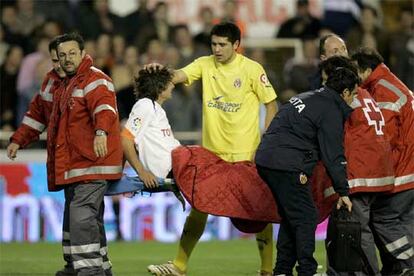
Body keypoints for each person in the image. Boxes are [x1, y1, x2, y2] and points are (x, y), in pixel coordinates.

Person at [146, 22, 278, 276]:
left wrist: (266, 141)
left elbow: (271, 105)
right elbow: (179, 75)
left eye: (222, 45)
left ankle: (267, 270)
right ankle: (179, 266)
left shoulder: (252, 69)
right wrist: (159, 72)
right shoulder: (205, 64)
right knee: (199, 209)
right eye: (213, 44)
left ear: (236, 45)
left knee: (260, 213)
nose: (216, 49)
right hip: (214, 157)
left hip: (246, 156)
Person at [7, 33, 123, 276]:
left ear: (82, 54)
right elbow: (37, 115)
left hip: (93, 162)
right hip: (72, 164)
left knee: (81, 216)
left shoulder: (95, 80)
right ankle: (85, 267)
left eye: (71, 54)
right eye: (59, 57)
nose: (64, 61)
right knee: (79, 217)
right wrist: (19, 140)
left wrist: (101, 132)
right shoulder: (53, 84)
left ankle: (89, 272)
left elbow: (105, 109)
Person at [255, 68, 357, 276]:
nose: (354, 99)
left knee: (291, 215)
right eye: (354, 94)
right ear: (345, 92)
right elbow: (334, 155)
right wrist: (343, 191)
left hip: (266, 158)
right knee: (306, 217)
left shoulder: (306, 97)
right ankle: (307, 270)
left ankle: (282, 270)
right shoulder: (331, 110)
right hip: (287, 164)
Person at [318, 56, 394, 276]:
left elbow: (336, 135)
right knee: (344, 229)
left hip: (360, 172)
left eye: (326, 80)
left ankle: (371, 273)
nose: (324, 85)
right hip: (377, 169)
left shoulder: (344, 98)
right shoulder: (365, 94)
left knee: (357, 230)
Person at [351, 47, 414, 276]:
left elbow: (384, 138)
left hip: (404, 168)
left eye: (356, 71)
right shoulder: (393, 83)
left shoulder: (382, 91)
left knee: (382, 218)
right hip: (411, 166)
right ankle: (398, 268)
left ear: (367, 70)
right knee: (405, 221)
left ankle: (407, 262)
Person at [121, 67, 180, 188]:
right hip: (173, 168)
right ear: (159, 87)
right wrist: (141, 171)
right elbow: (126, 139)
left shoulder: (156, 109)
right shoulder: (145, 105)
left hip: (179, 164)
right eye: (169, 82)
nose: (173, 86)